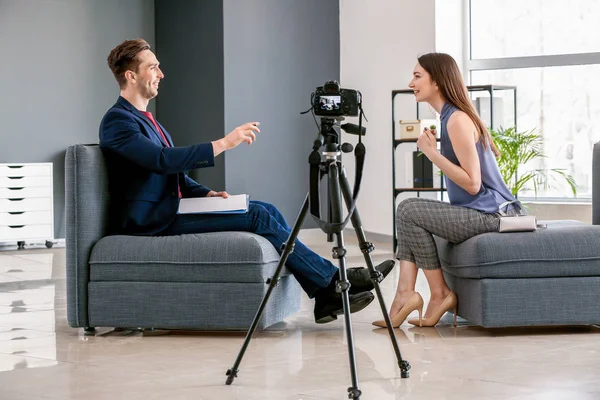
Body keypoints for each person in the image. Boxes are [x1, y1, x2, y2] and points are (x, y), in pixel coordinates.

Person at [99, 38, 394, 324]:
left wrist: (207, 194)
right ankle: (332, 282)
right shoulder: (118, 121)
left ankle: (325, 293)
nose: (161, 73)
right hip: (149, 220)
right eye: (153, 67)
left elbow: (173, 175)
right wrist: (224, 143)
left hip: (170, 208)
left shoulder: (148, 120)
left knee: (266, 210)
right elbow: (160, 161)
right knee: (256, 217)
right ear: (131, 75)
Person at [373, 52, 518, 328]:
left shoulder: (456, 120)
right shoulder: (448, 117)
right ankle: (407, 294)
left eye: (417, 76)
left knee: (408, 208)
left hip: (493, 215)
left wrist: (431, 153)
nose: (411, 82)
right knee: (409, 213)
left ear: (437, 81)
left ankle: (435, 294)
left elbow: (473, 183)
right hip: (478, 211)